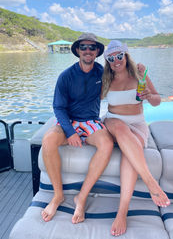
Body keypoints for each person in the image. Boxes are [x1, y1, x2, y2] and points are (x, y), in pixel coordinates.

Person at [41, 33, 114, 223]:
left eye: (92, 47)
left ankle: (81, 198)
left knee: (106, 144)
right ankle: (58, 195)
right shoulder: (66, 76)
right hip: (70, 119)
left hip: (90, 120)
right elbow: (58, 107)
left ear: (97, 51)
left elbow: (124, 77)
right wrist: (70, 132)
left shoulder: (103, 73)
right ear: (77, 51)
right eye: (84, 47)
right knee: (48, 140)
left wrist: (139, 73)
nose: (88, 51)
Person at [101, 40, 170, 237]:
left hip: (137, 124)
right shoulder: (106, 79)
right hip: (113, 122)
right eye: (111, 58)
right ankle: (151, 183)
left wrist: (149, 96)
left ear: (126, 55)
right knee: (122, 130)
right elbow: (91, 98)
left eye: (119, 56)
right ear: (107, 61)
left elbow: (157, 101)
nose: (116, 61)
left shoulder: (140, 75)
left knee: (129, 156)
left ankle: (122, 213)